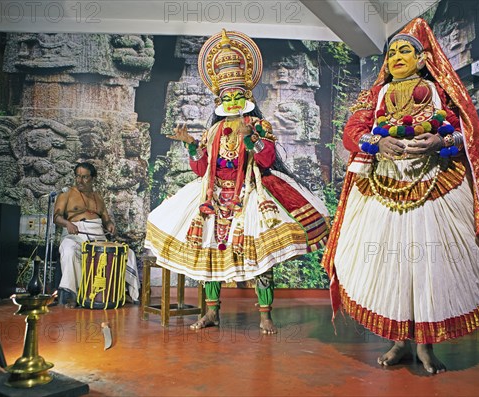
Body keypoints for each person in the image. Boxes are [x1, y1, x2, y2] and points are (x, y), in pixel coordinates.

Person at [320, 18, 479, 374]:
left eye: (406, 51)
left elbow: (466, 131)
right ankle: (399, 342)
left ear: (421, 60)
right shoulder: (375, 95)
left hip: (437, 185)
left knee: (431, 264)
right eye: (392, 52)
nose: (397, 56)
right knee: (391, 264)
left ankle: (426, 347)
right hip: (382, 187)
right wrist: (377, 141)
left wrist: (441, 140)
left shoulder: (441, 90)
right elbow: (352, 131)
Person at [145, 29, 330, 333]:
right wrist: (191, 144)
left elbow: (266, 160)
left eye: (237, 96)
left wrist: (251, 140)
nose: (231, 101)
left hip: (249, 194)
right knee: (210, 257)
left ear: (248, 96)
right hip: (213, 197)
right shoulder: (212, 132)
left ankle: (265, 315)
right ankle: (212, 312)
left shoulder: (258, 124)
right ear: (218, 99)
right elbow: (201, 168)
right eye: (226, 97)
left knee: (261, 261)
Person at [54, 161, 140, 306]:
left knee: (128, 253)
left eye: (85, 177)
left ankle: (125, 292)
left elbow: (106, 219)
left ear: (93, 178)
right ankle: (72, 294)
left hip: (98, 235)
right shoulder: (66, 194)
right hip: (75, 234)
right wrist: (68, 223)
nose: (80, 181)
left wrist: (110, 225)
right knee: (69, 250)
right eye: (78, 176)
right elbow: (56, 217)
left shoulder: (98, 197)